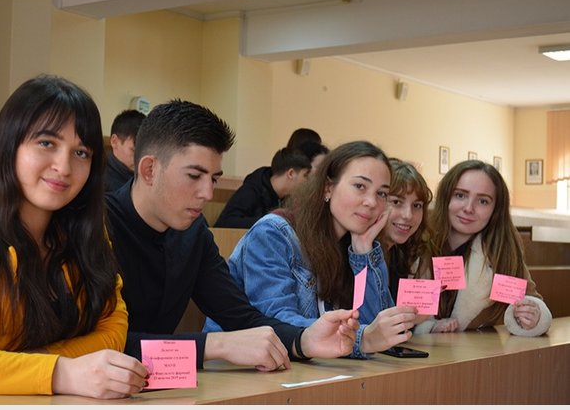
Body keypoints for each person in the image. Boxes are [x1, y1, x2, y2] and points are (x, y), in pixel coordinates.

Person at [104, 99, 360, 372]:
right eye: (194, 176)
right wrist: (214, 345)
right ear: (149, 170)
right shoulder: (97, 226)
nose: (208, 193)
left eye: (214, 179)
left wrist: (304, 339)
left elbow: (240, 317)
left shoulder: (193, 233)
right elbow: (98, 347)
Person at [0, 75, 147, 398]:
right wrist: (59, 372)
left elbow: (113, 325)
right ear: (9, 143)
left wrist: (38, 362)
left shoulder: (89, 232)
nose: (64, 167)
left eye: (81, 152)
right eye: (47, 143)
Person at [203, 141, 421, 358]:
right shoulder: (273, 234)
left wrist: (364, 251)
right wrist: (363, 338)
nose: (371, 202)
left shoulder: (357, 246)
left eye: (382, 193)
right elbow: (278, 323)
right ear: (328, 187)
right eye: (360, 186)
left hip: (310, 370)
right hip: (239, 369)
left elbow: (381, 334)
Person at [415, 159, 552, 336]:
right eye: (460, 195)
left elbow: (531, 299)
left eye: (483, 201)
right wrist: (428, 328)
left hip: (477, 350)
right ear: (445, 197)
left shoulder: (501, 251)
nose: (469, 208)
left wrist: (533, 316)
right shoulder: (416, 241)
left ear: (496, 209)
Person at [213, 147, 311, 229]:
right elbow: (224, 222)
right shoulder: (252, 189)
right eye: (305, 175)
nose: (308, 182)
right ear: (291, 174)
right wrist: (271, 221)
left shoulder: (287, 199)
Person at [378, 158, 433, 302]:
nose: (408, 215)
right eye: (396, 202)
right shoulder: (357, 255)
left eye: (417, 205)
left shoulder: (401, 253)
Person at [104, 109, 146, 192]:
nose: (140, 158)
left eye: (145, 152)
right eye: (133, 151)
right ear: (114, 141)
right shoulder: (100, 180)